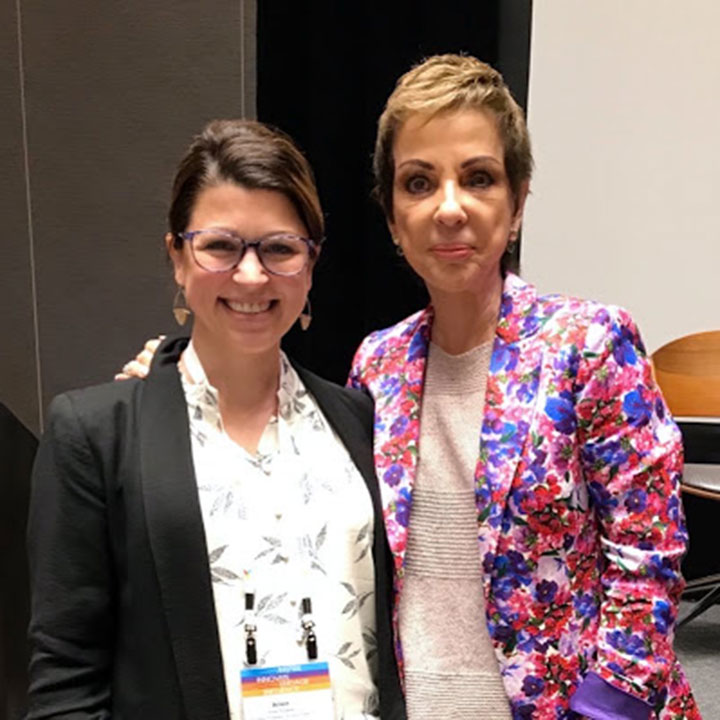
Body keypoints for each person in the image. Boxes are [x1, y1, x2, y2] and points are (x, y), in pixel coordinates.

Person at [120, 56, 699, 719]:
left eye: (478, 179)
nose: (449, 208)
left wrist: (603, 711)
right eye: (419, 183)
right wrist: (171, 376)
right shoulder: (379, 364)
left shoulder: (589, 345)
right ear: (394, 219)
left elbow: (647, 560)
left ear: (517, 203)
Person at [25, 120, 405, 719]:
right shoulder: (96, 436)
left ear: (310, 264)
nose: (251, 276)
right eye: (221, 246)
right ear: (177, 256)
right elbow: (65, 682)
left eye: (279, 248)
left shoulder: (357, 421)